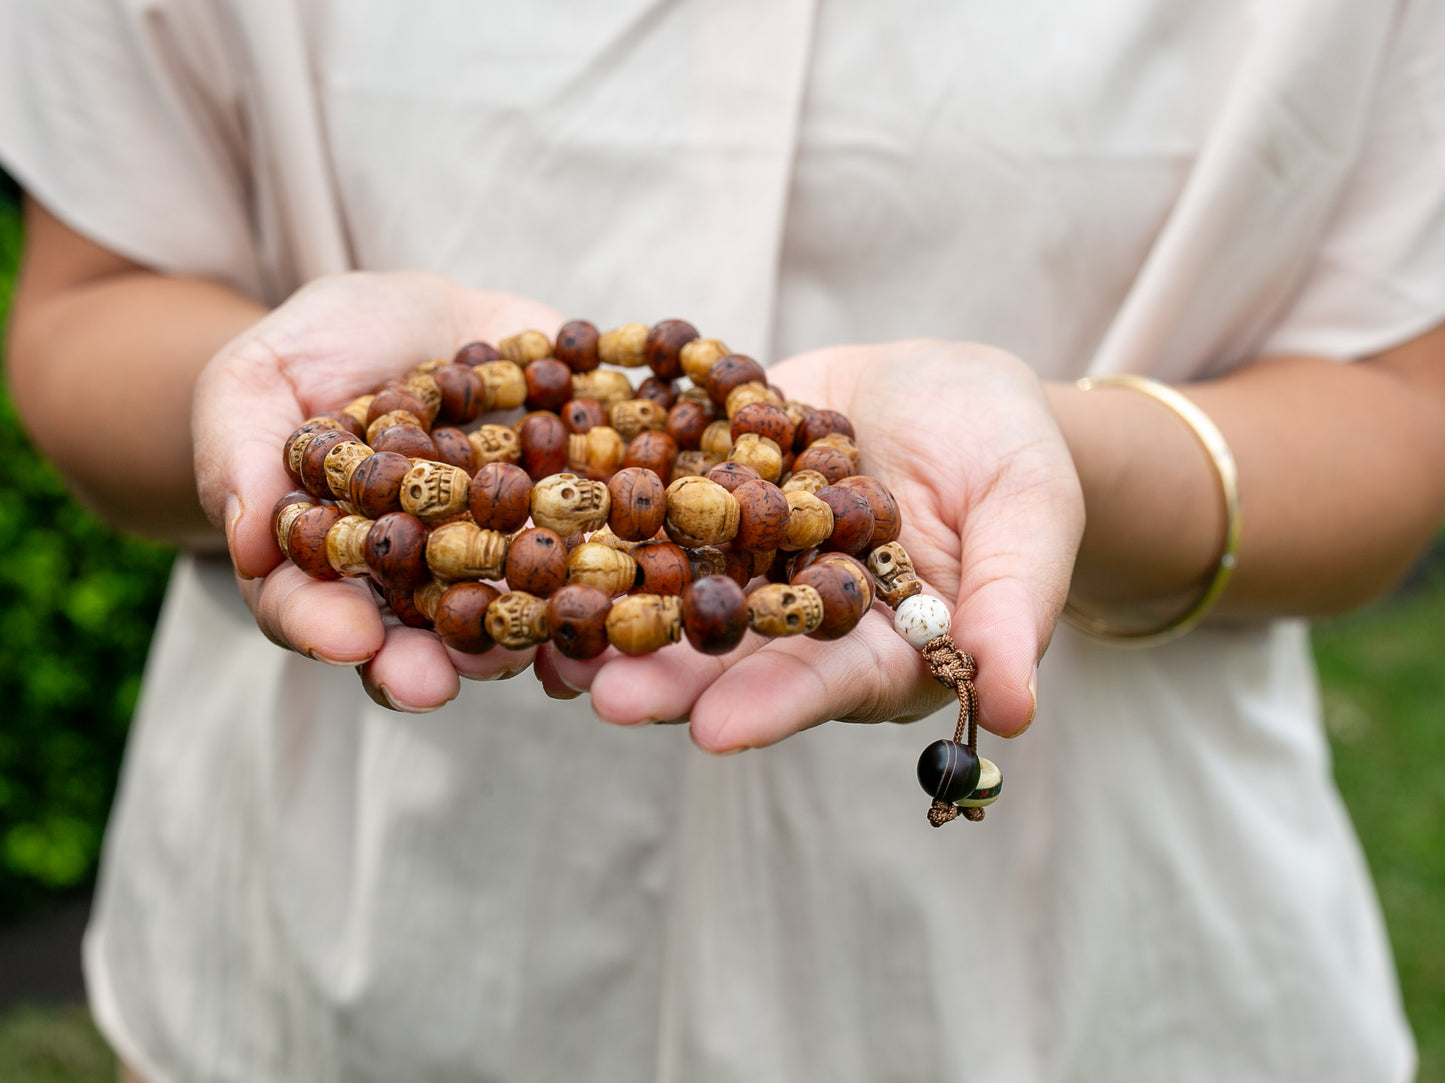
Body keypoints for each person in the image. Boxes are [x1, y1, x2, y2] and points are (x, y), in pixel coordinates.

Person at [3, 1, 1443, 1080]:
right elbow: (95, 296)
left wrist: (1070, 462)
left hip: (1088, 993)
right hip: (333, 978)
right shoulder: (507, 458)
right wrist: (289, 424)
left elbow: (1395, 412)